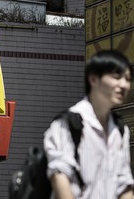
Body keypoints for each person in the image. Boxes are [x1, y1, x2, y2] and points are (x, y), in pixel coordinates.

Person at [44, 50, 134, 199]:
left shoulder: (120, 130)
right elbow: (59, 176)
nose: (124, 85)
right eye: (116, 77)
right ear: (93, 79)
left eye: (127, 79)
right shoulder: (68, 123)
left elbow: (124, 183)